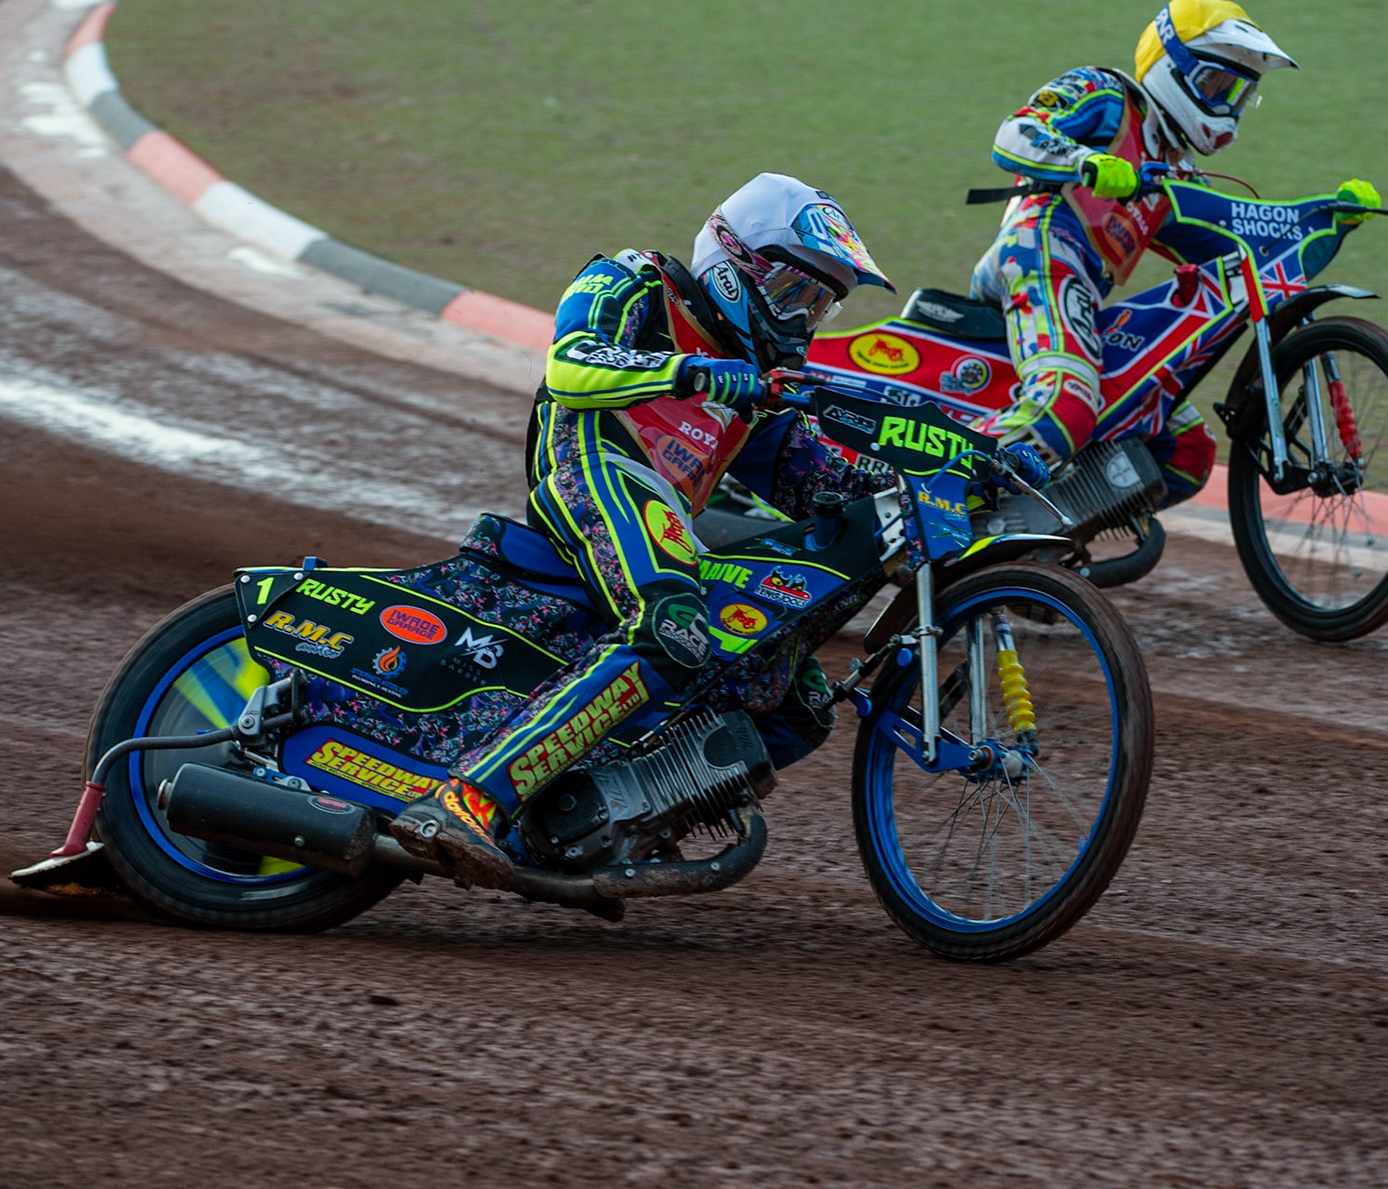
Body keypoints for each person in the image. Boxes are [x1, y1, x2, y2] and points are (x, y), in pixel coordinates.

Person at [394, 174, 1037, 890]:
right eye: (797, 295)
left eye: (821, 305)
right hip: (593, 466)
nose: (805, 320)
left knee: (797, 706)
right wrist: (696, 373)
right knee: (672, 623)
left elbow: (809, 476)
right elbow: (570, 366)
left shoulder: (759, 386)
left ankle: (622, 815)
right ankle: (467, 799)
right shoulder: (633, 280)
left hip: (667, 517)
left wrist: (945, 468)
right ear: (738, 264)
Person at [970, 0, 1381, 503]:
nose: (1227, 107)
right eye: (1216, 85)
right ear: (1171, 66)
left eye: (1239, 94)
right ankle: (931, 494)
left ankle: (1039, 540)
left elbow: (1231, 241)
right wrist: (1085, 162)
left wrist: (1326, 217)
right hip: (1036, 253)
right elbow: (1014, 132)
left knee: (1186, 453)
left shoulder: (1180, 173)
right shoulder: (1106, 91)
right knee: (1066, 409)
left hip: (1083, 299)